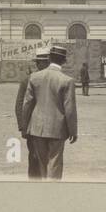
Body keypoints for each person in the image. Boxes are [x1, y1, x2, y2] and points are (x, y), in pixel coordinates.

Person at [20, 43, 78, 180]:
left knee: (42, 164)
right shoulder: (67, 80)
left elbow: (26, 104)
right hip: (57, 129)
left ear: (50, 58)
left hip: (37, 128)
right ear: (64, 61)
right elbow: (69, 109)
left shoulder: (34, 77)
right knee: (55, 164)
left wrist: (24, 127)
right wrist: (73, 131)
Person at [15, 47, 49, 179]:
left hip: (40, 127)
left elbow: (19, 104)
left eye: (45, 63)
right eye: (42, 63)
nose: (43, 65)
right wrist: (22, 126)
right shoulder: (27, 80)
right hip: (34, 127)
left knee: (41, 158)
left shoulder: (52, 79)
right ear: (38, 64)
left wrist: (23, 127)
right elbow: (19, 104)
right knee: (35, 157)